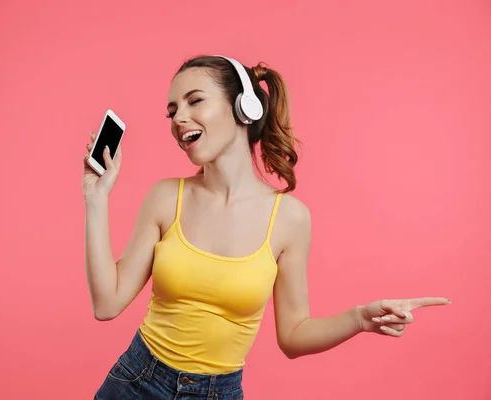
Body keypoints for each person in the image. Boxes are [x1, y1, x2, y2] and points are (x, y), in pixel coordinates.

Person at [82, 55, 450, 400]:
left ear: (244, 107)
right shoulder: (165, 197)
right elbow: (107, 303)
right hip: (137, 381)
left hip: (220, 391)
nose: (179, 118)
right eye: (172, 110)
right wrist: (96, 200)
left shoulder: (290, 219)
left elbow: (292, 336)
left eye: (195, 101)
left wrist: (359, 319)